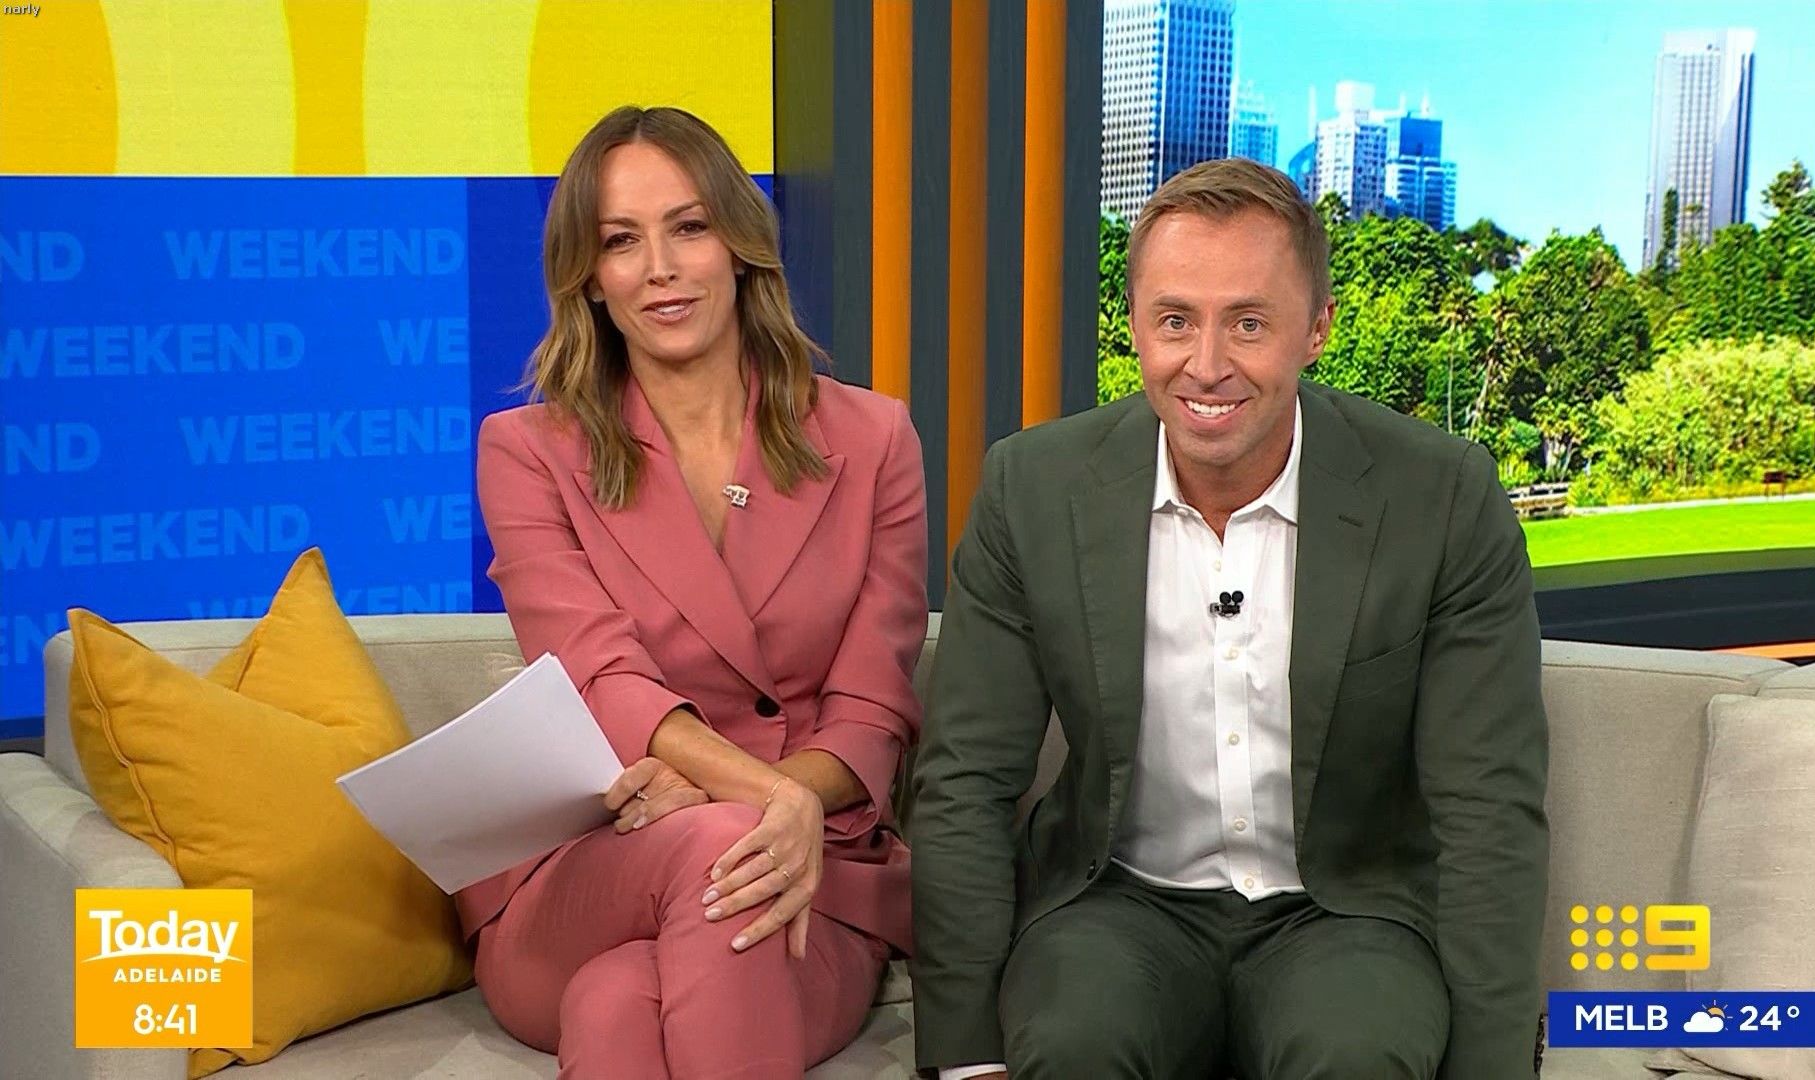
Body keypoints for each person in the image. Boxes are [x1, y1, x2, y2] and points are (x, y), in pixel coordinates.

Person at [910, 158, 1549, 1080]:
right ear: (1135, 324)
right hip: (1119, 903)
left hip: (1346, 913)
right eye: (1175, 320)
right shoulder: (1031, 488)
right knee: (1071, 1041)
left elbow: (1490, 807)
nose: (1206, 365)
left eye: (1248, 323)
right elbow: (965, 779)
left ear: (1317, 328)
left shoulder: (1442, 496)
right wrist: (966, 1058)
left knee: (1357, 1055)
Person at [467, 105, 927, 1079]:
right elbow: (599, 676)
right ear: (589, 278)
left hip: (816, 875)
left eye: (689, 227)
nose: (661, 268)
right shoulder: (527, 453)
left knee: (617, 1003)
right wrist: (761, 794)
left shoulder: (874, 439)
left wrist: (775, 803)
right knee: (722, 842)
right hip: (598, 867)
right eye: (621, 242)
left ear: (741, 245)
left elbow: (871, 709)